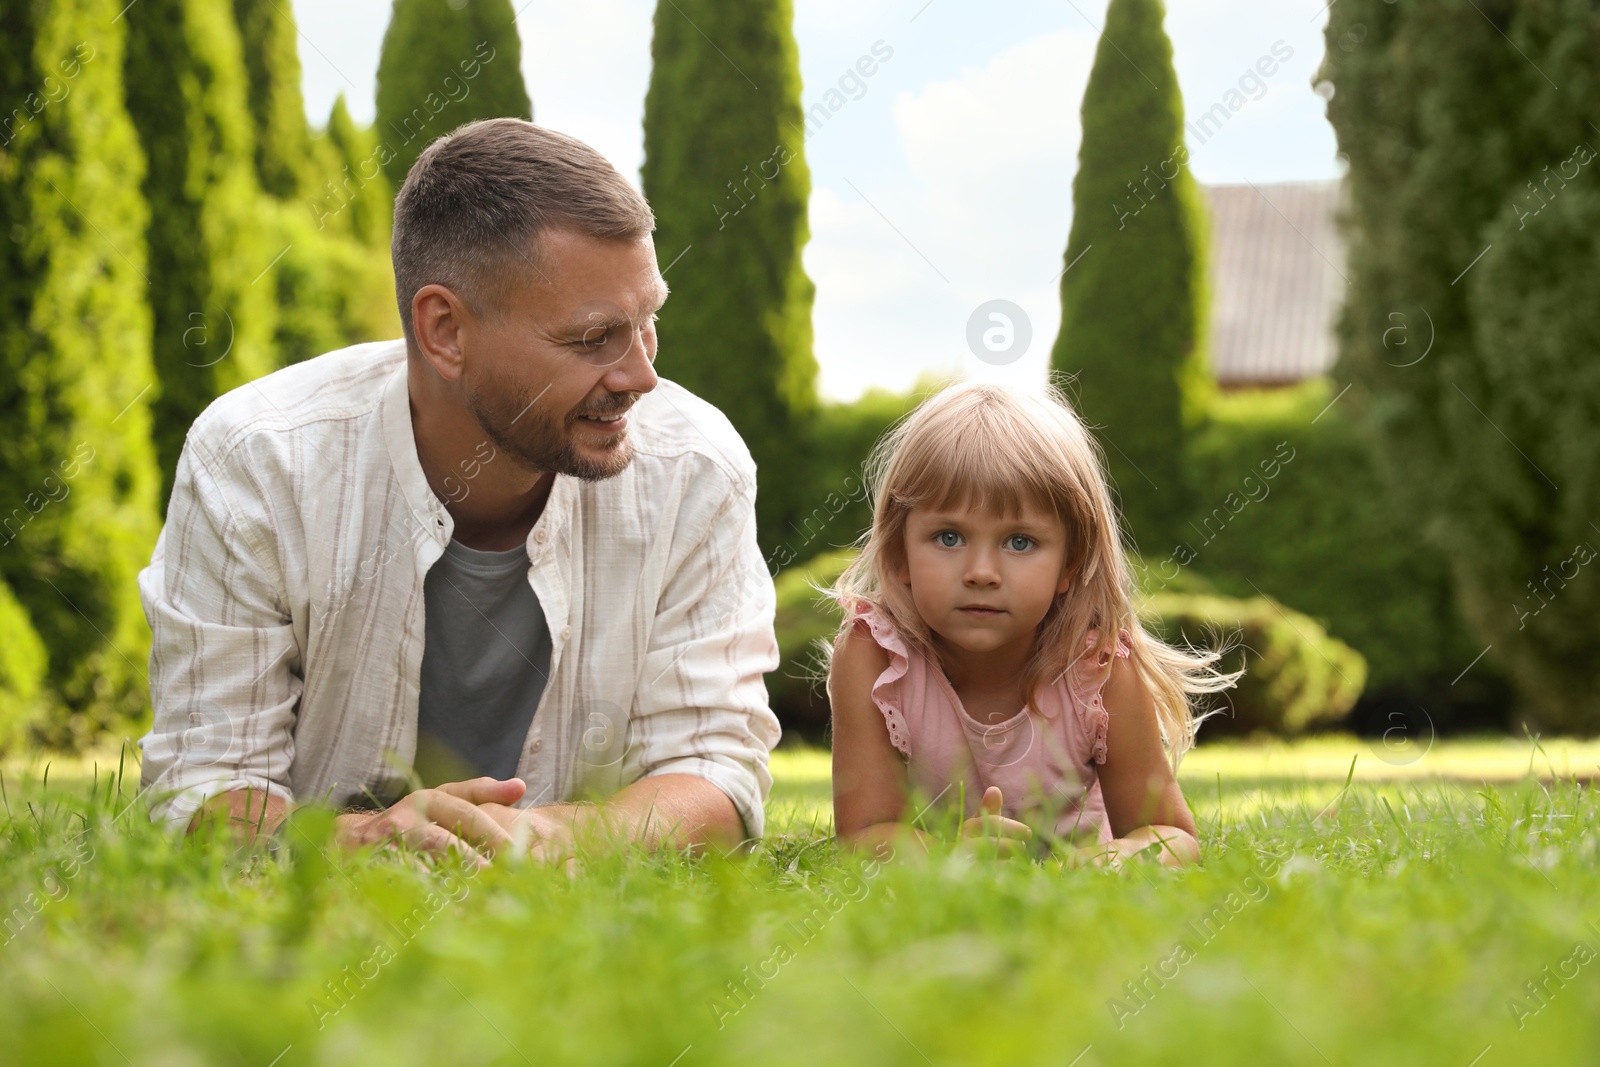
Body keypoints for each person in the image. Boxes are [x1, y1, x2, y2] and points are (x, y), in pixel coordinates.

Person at [136, 118, 781, 868]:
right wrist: (355, 845)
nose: (641, 375)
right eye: (593, 338)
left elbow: (717, 772)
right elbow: (202, 784)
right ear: (445, 330)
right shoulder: (256, 462)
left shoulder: (696, 468)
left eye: (648, 323)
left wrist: (548, 836)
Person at [825, 381, 1238, 868]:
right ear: (899, 555)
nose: (981, 572)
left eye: (1019, 542)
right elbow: (861, 838)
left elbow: (1173, 836)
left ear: (1070, 563)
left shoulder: (1097, 670)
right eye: (949, 536)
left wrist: (1121, 860)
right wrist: (948, 857)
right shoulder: (875, 658)